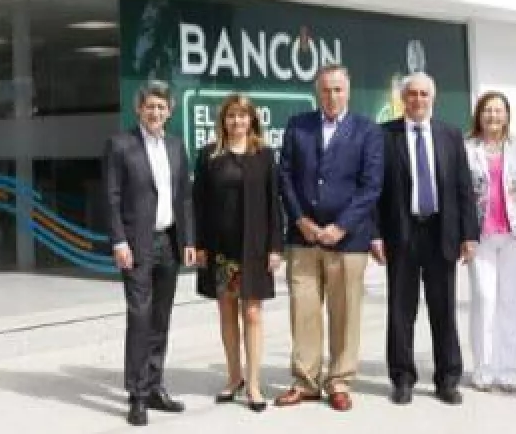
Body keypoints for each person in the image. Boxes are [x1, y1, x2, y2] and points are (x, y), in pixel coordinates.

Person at [274, 63, 383, 412]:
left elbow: (371, 186)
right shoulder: (298, 125)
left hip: (347, 241)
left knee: (345, 314)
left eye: (338, 89)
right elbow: (285, 177)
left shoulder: (367, 130)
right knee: (303, 310)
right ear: (317, 92)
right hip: (303, 238)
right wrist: (300, 219)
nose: (332, 96)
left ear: (348, 91)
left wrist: (342, 226)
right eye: (325, 90)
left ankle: (339, 381)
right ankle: (305, 382)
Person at [372, 72, 478, 406]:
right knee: (401, 311)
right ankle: (402, 378)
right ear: (403, 99)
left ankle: (448, 379)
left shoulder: (450, 135)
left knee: (444, 310)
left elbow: (463, 188)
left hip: (441, 233)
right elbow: (375, 191)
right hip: (401, 234)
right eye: (412, 94)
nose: (418, 100)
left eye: (423, 94)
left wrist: (469, 234)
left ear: (433, 98)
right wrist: (375, 234)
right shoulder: (384, 135)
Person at [104, 81, 198, 427]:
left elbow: (184, 197)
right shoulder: (120, 145)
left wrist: (189, 240)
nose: (155, 112)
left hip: (169, 243)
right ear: (139, 110)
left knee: (161, 318)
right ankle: (138, 395)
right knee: (140, 317)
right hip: (136, 245)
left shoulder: (175, 145)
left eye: (161, 107)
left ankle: (155, 386)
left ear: (169, 111)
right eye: (150, 106)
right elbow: (111, 197)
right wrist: (119, 241)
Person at [193, 93, 282, 413]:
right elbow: (199, 204)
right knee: (227, 313)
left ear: (252, 119)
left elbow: (274, 204)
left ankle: (254, 384)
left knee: (253, 314)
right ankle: (234, 377)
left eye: (242, 115)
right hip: (221, 250)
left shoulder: (264, 155)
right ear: (223, 120)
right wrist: (199, 245)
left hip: (254, 249)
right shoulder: (208, 155)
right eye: (231, 115)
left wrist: (275, 246)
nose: (237, 121)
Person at [464, 91, 516, 393]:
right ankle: (482, 368)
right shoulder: (466, 148)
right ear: (479, 115)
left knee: (511, 301)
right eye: (487, 110)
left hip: (515, 235)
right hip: (480, 236)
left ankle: (508, 368)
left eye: (498, 110)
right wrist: (462, 235)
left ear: (507, 115)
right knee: (484, 299)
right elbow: (459, 193)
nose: (493, 115)